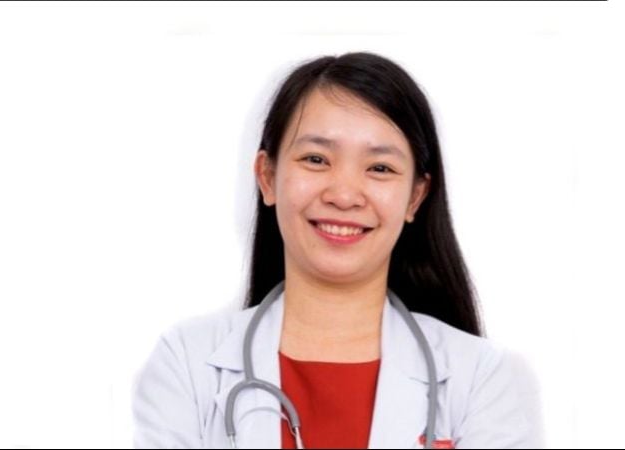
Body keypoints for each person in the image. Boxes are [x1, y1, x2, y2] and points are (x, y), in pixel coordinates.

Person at [132, 52, 539, 449]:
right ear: (268, 177)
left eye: (380, 168)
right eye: (316, 159)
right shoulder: (186, 364)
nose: (344, 195)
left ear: (416, 196)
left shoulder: (483, 379)